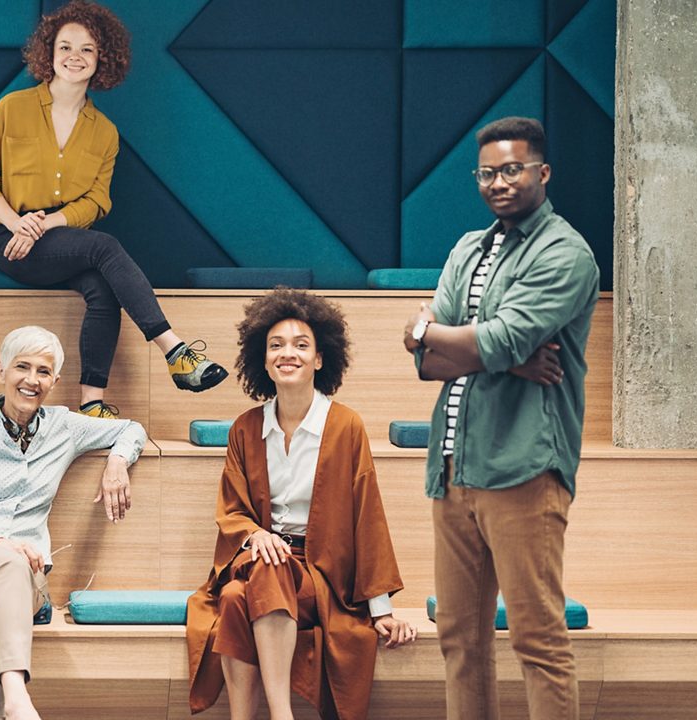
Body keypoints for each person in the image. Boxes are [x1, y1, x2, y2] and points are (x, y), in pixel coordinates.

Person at [402, 117, 599, 720]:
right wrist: (494, 355)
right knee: (460, 639)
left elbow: (493, 338)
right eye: (487, 173)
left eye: (512, 169)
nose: (499, 182)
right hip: (453, 465)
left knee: (537, 641)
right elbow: (434, 365)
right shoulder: (468, 248)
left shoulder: (566, 253)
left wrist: (421, 330)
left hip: (524, 466)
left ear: (542, 172)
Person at [0, 0, 226, 420]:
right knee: (104, 248)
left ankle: (91, 404)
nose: (75, 56)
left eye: (87, 49)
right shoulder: (12, 108)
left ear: (102, 59)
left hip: (60, 235)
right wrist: (19, 224)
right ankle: (175, 351)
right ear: (48, 54)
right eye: (65, 46)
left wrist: (47, 223)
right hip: (8, 238)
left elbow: (95, 202)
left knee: (103, 288)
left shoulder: (104, 132)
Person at [187, 288, 415, 720]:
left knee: (247, 589)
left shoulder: (345, 425)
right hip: (259, 561)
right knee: (237, 591)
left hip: (320, 577)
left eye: (300, 345)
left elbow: (368, 516)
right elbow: (232, 509)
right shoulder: (245, 427)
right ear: (263, 358)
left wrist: (381, 609)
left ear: (320, 359)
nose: (286, 353)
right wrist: (257, 535)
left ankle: (276, 715)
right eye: (275, 345)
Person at [0, 325, 146, 720]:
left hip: (27, 576)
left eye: (43, 371)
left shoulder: (64, 426)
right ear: (1, 370)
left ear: (55, 381)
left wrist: (117, 461)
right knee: (9, 561)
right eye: (22, 367)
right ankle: (19, 700)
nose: (31, 379)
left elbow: (132, 429)